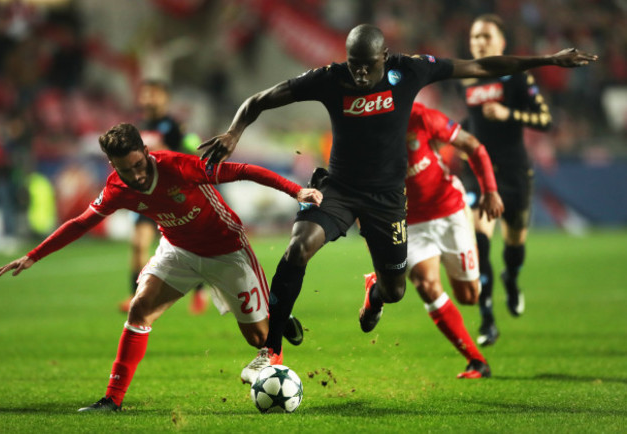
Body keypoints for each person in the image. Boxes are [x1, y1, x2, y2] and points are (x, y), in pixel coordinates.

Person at [198, 23, 596, 384]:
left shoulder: (409, 71)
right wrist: (233, 133)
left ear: (384, 58)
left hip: (387, 200)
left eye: (367, 65)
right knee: (299, 246)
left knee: (396, 290)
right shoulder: (331, 79)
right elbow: (260, 99)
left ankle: (375, 294)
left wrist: (546, 60)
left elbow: (479, 67)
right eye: (354, 64)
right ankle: (270, 351)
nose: (359, 72)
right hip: (339, 188)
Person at [0, 123, 322, 412]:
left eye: (138, 165)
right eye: (125, 170)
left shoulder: (178, 167)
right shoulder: (117, 189)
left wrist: (296, 190)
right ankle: (112, 400)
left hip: (227, 250)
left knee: (260, 339)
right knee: (139, 309)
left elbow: (243, 171)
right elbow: (80, 224)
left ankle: (278, 315)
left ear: (146, 152)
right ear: (112, 166)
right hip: (177, 251)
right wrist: (33, 255)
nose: (135, 175)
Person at [363, 102, 503, 378]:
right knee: (427, 284)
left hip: (449, 209)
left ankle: (376, 283)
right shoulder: (361, 130)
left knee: (469, 296)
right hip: (408, 221)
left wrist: (490, 190)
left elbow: (473, 145)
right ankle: (476, 361)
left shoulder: (419, 115)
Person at [458, 14, 555, 346]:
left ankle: (511, 279)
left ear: (502, 42)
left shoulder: (517, 78)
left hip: (515, 173)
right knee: (480, 240)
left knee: (514, 248)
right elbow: (473, 120)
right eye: (474, 37)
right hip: (480, 174)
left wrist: (508, 113)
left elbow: (545, 120)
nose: (479, 42)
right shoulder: (467, 78)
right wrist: (458, 136)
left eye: (486, 36)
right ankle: (487, 319)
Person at [119, 79, 208, 315]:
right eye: (145, 94)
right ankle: (135, 296)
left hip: (172, 196)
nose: (148, 99)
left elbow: (190, 154)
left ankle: (200, 289)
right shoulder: (136, 128)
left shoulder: (176, 127)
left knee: (185, 249)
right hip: (146, 196)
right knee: (138, 245)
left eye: (154, 94)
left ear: (164, 98)